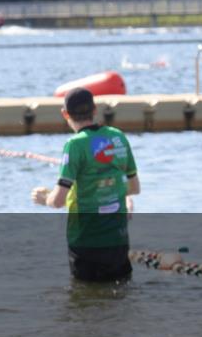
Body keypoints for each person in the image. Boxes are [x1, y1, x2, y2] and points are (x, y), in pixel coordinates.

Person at [31, 87, 140, 283]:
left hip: (86, 241)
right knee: (121, 296)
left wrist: (44, 199)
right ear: (95, 109)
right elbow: (134, 188)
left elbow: (57, 201)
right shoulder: (118, 137)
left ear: (65, 114)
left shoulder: (75, 145)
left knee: (85, 300)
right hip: (118, 240)